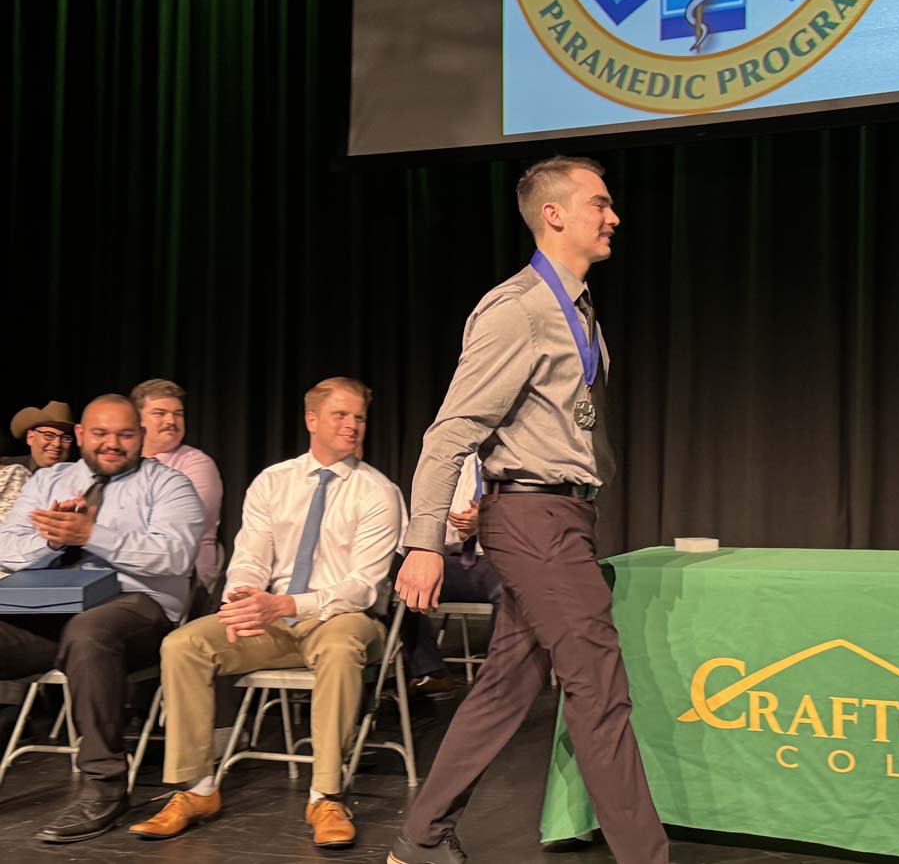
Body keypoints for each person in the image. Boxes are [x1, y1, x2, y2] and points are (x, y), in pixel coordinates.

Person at [388, 156, 668, 864]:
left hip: (562, 517)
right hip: (532, 519)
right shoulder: (518, 309)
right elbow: (451, 433)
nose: (612, 216)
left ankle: (420, 840)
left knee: (505, 688)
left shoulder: (577, 312)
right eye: (599, 203)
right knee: (599, 688)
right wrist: (423, 542)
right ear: (555, 214)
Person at [128, 377, 401, 849]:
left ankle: (326, 795)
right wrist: (242, 595)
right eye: (341, 415)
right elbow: (250, 555)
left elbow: (362, 588)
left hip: (341, 618)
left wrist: (290, 604)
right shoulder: (274, 481)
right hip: (274, 618)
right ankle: (195, 789)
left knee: (339, 645)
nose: (353, 426)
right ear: (311, 419)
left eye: (359, 417)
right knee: (184, 644)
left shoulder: (377, 491)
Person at [0, 394, 204, 842]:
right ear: (80, 435)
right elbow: (6, 547)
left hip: (137, 609)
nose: (112, 444)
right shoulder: (47, 482)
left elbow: (174, 556)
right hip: (48, 609)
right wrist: (52, 541)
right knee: (74, 632)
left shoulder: (169, 485)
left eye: (125, 435)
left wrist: (93, 534)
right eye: (100, 434)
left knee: (90, 632)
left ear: (141, 437)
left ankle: (104, 787)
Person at [403, 454, 502, 699]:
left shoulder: (516, 464)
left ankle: (497, 683)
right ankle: (431, 671)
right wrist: (460, 530)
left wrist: (485, 524)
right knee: (403, 579)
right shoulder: (456, 466)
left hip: (498, 561)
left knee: (512, 585)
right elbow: (434, 529)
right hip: (456, 561)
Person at [130, 379, 224, 591]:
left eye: (178, 414)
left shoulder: (196, 463)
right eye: (160, 413)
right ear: (137, 420)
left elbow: (185, 525)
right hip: (127, 572)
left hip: (182, 577)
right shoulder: (124, 463)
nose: (171, 420)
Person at [1, 401, 76, 473]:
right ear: (30, 437)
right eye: (49, 435)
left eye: (65, 438)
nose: (57, 444)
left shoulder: (77, 476)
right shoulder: (7, 468)